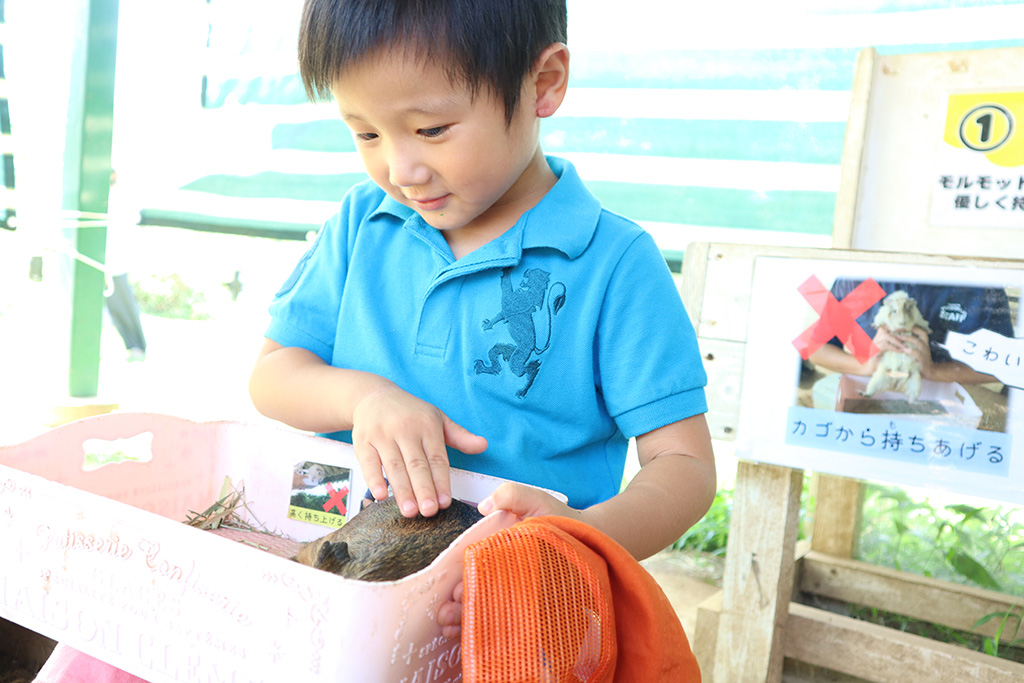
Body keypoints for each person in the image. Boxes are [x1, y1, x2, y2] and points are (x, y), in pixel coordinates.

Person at [248, 0, 716, 640]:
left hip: (513, 616)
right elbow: (274, 376)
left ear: (543, 83)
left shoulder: (615, 265)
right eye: (366, 134)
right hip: (332, 586)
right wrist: (365, 398)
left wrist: (578, 542)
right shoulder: (362, 225)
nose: (400, 169)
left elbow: (684, 467)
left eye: (433, 129)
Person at [809, 278, 1014, 387]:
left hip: (951, 393)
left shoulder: (977, 287)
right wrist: (867, 365)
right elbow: (816, 349)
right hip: (877, 387)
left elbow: (1007, 366)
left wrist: (933, 371)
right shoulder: (866, 280)